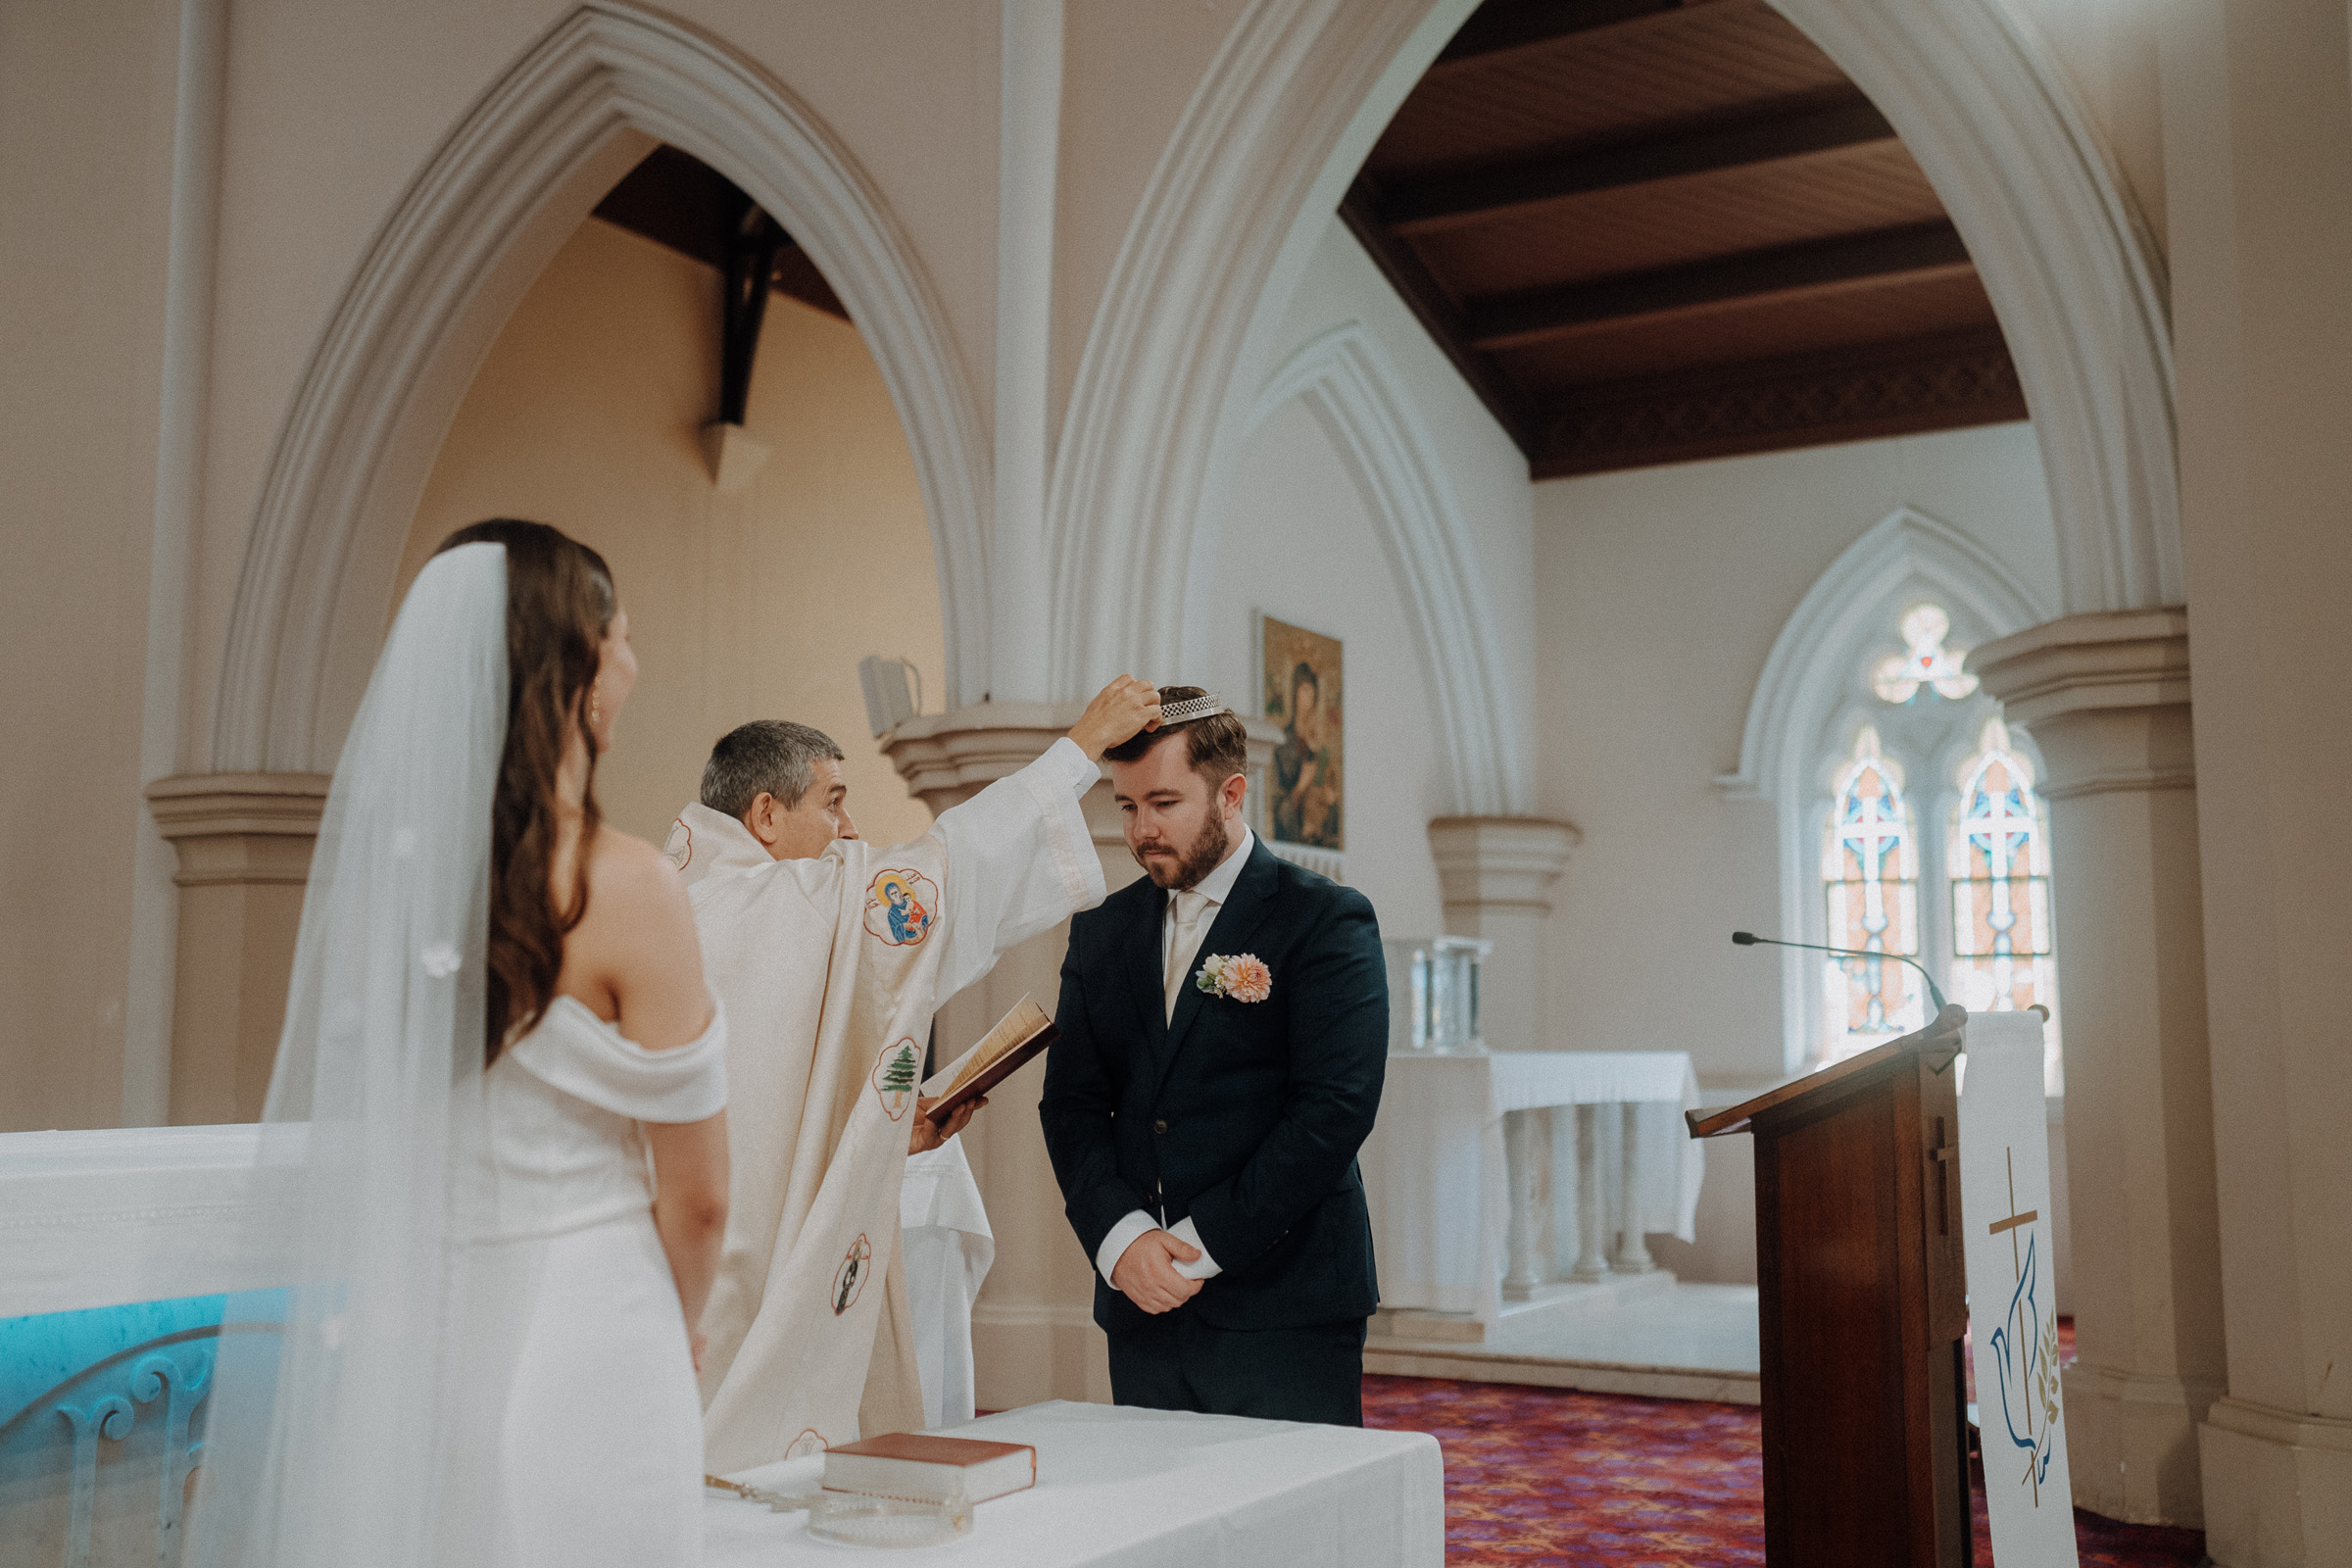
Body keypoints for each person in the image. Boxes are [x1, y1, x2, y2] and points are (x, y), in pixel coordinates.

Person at [196, 519, 727, 1568]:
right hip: (595, 1321)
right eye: (619, 635)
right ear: (572, 662)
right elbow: (700, 1196)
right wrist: (683, 1324)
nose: (634, 661)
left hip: (423, 1321)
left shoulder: (396, 886)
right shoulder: (626, 884)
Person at [666, 680, 1160, 1471]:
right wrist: (1076, 751)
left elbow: (774, 1110)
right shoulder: (760, 906)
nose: (851, 829)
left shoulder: (687, 900)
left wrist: (892, 1133)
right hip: (728, 1258)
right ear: (764, 815)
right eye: (833, 802)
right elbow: (949, 865)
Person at [1039, 687, 1389, 1426]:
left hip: (1285, 1301)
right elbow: (1070, 1103)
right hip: (1141, 1301)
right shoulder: (1103, 931)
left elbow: (1333, 1110)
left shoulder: (1324, 919)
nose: (1141, 830)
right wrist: (1123, 1239)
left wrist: (1198, 1249)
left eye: (1163, 803)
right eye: (1126, 806)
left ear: (1230, 794)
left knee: (1291, 1537)